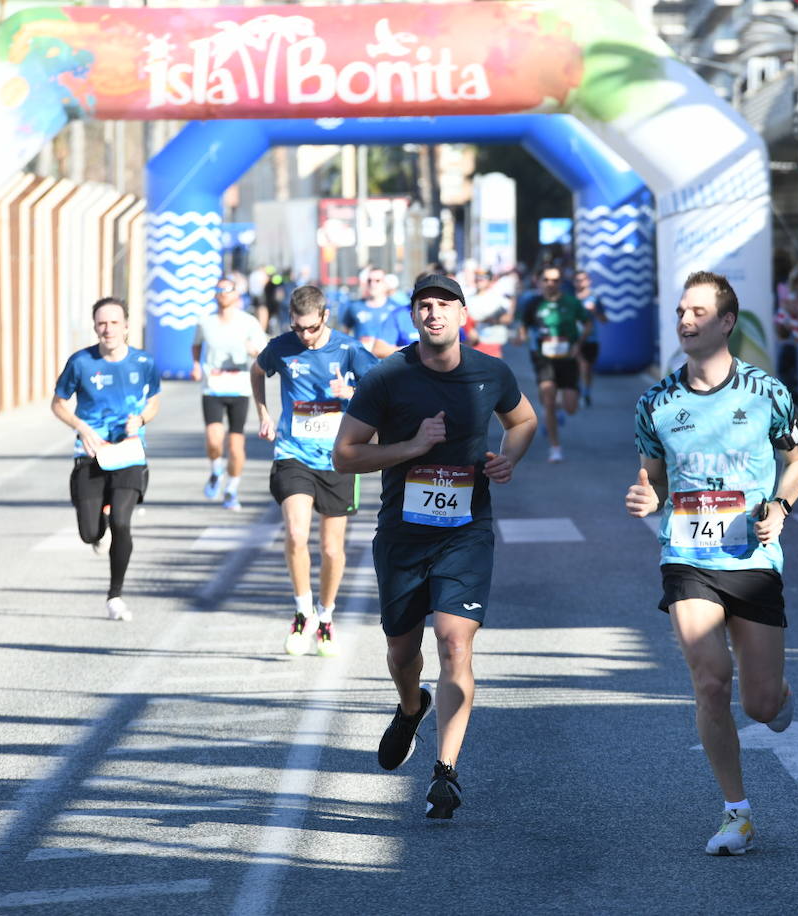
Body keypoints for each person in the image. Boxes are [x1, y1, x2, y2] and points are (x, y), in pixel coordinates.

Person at [333, 273, 538, 819]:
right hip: (402, 534)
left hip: (466, 532)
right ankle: (410, 705)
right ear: (413, 316)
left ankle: (445, 771)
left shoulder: (490, 372)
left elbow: (524, 420)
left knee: (454, 644)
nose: (434, 314)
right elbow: (344, 455)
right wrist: (411, 446)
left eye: (444, 305)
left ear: (463, 314)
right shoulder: (387, 377)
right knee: (403, 650)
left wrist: (507, 456)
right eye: (424, 306)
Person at [624, 270, 798, 856]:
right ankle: (737, 813)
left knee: (758, 703)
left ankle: (776, 693)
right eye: (682, 311)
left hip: (754, 556)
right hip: (687, 556)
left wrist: (781, 504)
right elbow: (651, 474)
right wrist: (646, 495)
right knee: (710, 681)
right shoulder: (656, 402)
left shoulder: (766, 393)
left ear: (726, 322)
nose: (686, 320)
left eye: (699, 312)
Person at [251, 285, 379, 656]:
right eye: (297, 328)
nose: (304, 336)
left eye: (310, 328)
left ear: (325, 317)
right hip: (294, 452)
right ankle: (302, 611)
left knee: (332, 548)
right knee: (295, 532)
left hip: (339, 456)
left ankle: (325, 617)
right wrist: (262, 412)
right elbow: (257, 370)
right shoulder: (282, 346)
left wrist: (351, 395)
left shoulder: (349, 348)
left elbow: (381, 389)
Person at [51, 297, 161, 622]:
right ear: (94, 326)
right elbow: (57, 403)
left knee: (123, 522)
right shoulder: (81, 363)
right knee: (89, 532)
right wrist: (81, 427)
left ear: (126, 326)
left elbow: (153, 402)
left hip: (129, 453)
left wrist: (141, 420)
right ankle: (100, 532)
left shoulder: (143, 363)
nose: (107, 329)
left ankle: (115, 595)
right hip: (91, 454)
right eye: (102, 323)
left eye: (114, 322)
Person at [192, 273, 268, 509]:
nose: (223, 294)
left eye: (228, 290)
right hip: (213, 387)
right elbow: (196, 345)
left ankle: (232, 488)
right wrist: (196, 365)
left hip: (240, 387)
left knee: (236, 447)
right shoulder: (206, 321)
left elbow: (263, 351)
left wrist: (252, 349)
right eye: (220, 290)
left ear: (236, 295)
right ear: (215, 295)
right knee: (214, 440)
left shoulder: (248, 322)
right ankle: (216, 470)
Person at [520, 265, 591, 462]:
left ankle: (559, 404)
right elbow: (524, 326)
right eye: (546, 280)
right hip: (543, 358)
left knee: (571, 407)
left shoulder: (571, 302)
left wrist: (578, 344)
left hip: (567, 358)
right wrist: (524, 339)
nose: (550, 284)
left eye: (555, 280)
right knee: (548, 397)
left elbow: (587, 323)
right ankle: (555, 447)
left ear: (561, 283)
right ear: (539, 281)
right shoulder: (533, 303)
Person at [340, 267, 399, 355]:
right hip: (361, 362)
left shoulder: (396, 309)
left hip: (388, 363)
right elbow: (343, 336)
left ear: (385, 284)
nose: (372, 284)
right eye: (369, 280)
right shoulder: (355, 307)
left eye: (377, 280)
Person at [572, 269, 605, 406]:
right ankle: (580, 392)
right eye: (578, 280)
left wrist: (595, 311)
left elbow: (604, 319)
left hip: (591, 339)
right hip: (574, 339)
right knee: (582, 366)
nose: (580, 283)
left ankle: (586, 391)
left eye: (583, 280)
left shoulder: (595, 298)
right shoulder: (570, 299)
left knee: (587, 369)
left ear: (588, 281)